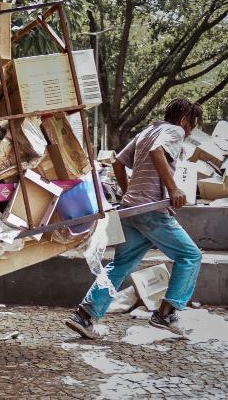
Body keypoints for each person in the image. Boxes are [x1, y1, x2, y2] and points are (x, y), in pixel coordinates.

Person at [64, 98, 203, 339]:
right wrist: (173, 189)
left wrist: (129, 192)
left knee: (121, 263)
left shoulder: (149, 130)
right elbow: (156, 151)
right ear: (183, 120)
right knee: (190, 256)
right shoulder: (174, 130)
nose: (189, 131)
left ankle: (84, 316)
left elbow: (118, 162)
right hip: (151, 211)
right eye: (192, 125)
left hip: (131, 209)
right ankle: (165, 314)